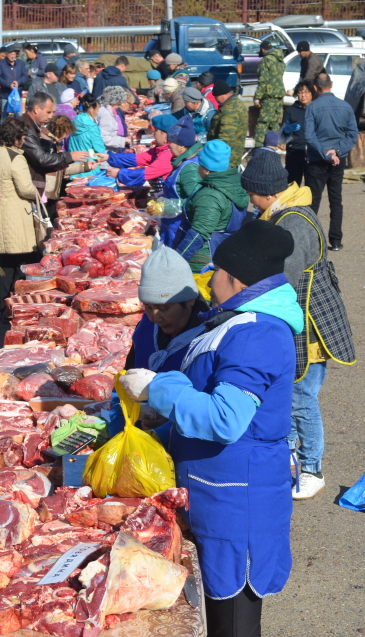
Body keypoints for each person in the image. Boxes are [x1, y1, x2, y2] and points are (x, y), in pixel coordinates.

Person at [122, 221, 302, 637]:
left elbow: (226, 419)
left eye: (215, 271)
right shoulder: (238, 320)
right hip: (217, 488)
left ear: (233, 279)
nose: (209, 279)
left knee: (234, 621)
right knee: (217, 614)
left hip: (238, 500)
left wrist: (158, 388)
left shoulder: (258, 332)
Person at [240, 150, 356, 500]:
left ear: (266, 192)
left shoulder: (293, 223)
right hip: (299, 317)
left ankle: (312, 468)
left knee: (302, 398)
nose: (249, 201)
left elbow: (282, 282)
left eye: (251, 194)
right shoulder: (279, 213)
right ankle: (287, 459)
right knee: (290, 393)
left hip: (310, 323)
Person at [107, 245, 208, 438]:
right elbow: (123, 384)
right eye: (148, 307)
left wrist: (168, 421)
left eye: (164, 308)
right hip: (138, 444)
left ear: (190, 301)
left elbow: (205, 411)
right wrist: (118, 434)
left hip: (182, 447)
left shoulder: (208, 340)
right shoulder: (146, 329)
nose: (155, 317)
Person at [0, 117, 42, 309]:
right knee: (21, 263)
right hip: (16, 214)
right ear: (17, 137)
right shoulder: (15, 157)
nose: (24, 140)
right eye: (23, 137)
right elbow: (26, 188)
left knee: (5, 264)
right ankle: (16, 305)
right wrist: (39, 192)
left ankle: (2, 305)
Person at [172, 139, 249, 272]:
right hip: (225, 250)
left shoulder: (210, 195)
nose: (197, 170)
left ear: (207, 170)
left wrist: (176, 261)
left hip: (203, 259)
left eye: (199, 165)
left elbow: (198, 234)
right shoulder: (234, 184)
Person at [304, 73, 358, 251]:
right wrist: (338, 151)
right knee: (336, 200)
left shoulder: (312, 108)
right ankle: (335, 240)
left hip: (317, 160)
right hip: (338, 160)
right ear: (332, 85)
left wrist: (325, 153)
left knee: (313, 202)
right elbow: (352, 135)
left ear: (315, 88)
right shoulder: (346, 107)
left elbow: (309, 136)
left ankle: (311, 242)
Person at [20, 92, 86, 200]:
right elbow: (42, 159)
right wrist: (70, 156)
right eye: (48, 112)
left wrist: (84, 166)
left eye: (53, 112)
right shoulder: (27, 128)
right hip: (34, 189)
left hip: (38, 187)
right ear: (37, 108)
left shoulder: (34, 127)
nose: (51, 116)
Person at [159, 115, 203, 245]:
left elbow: (196, 202)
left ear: (182, 146)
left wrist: (167, 206)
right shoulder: (182, 161)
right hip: (171, 226)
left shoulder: (189, 169)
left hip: (179, 230)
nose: (168, 146)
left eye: (170, 142)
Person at [105, 114, 176, 191]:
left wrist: (120, 173)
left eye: (156, 131)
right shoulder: (159, 150)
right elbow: (138, 159)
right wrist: (110, 157)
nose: (154, 134)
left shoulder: (168, 155)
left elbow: (146, 173)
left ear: (165, 134)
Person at [207, 81, 248, 169]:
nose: (216, 99)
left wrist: (217, 157)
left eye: (216, 96)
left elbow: (226, 137)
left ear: (224, 94)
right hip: (231, 156)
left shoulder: (230, 109)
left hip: (225, 159)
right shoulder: (236, 103)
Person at [253, 41, 287, 147]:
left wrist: (257, 97)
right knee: (274, 123)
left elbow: (263, 80)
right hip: (279, 95)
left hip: (269, 96)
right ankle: (273, 145)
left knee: (263, 122)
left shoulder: (266, 60)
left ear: (263, 50)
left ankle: (259, 148)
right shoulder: (280, 60)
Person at [281, 81, 314, 185]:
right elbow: (282, 137)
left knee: (311, 188)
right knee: (292, 186)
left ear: (312, 93)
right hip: (294, 153)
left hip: (313, 154)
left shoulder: (316, 109)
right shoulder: (290, 110)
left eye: (306, 92)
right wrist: (286, 130)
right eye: (300, 92)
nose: (303, 95)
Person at [0, 45, 29, 119]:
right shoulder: (1, 64)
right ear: (7, 54)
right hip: (5, 94)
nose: (13, 56)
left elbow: (25, 76)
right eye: (11, 54)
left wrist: (18, 82)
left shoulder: (20, 63)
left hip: (18, 94)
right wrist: (8, 85)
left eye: (14, 54)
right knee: (4, 116)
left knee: (19, 115)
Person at [96, 86, 131, 152]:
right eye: (118, 104)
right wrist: (123, 141)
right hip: (105, 151)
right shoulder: (106, 114)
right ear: (113, 102)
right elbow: (104, 137)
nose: (120, 106)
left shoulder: (106, 110)